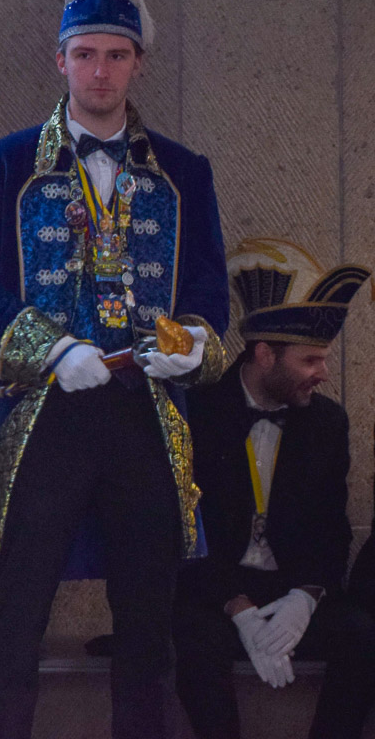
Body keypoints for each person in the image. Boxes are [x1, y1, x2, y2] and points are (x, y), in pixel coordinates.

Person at [0, 0, 229, 739]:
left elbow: (208, 291)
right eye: (85, 54)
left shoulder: (185, 173)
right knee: (14, 619)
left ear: (137, 62)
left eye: (115, 54)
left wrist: (194, 345)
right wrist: (51, 349)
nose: (100, 70)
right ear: (59, 59)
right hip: (41, 418)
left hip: (148, 414)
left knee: (149, 626)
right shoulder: (0, 166)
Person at [172, 239, 375, 739]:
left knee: (363, 634)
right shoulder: (197, 414)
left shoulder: (327, 423)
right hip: (216, 594)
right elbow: (181, 533)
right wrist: (239, 610)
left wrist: (305, 598)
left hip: (289, 591)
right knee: (192, 638)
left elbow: (332, 530)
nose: (322, 373)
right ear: (265, 354)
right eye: (311, 361)